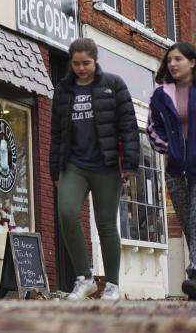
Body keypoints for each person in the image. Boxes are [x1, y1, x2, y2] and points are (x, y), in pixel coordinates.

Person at [50, 37, 139, 301]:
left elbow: (129, 126)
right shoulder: (63, 90)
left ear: (95, 60)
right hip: (73, 164)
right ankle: (84, 278)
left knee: (106, 225)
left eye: (86, 63)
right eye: (76, 63)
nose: (81, 68)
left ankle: (112, 284)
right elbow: (56, 133)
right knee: (66, 213)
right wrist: (55, 171)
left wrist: (131, 164)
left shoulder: (114, 85)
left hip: (106, 165)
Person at [146, 42, 196, 300]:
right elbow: (152, 128)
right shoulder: (160, 95)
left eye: (178, 59)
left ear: (192, 62)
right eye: (169, 61)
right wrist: (170, 148)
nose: (173, 64)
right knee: (188, 222)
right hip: (175, 168)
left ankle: (194, 272)